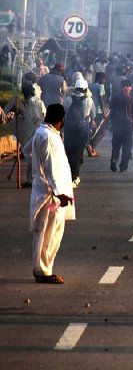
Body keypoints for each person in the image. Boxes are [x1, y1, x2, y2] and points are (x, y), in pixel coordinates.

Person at [25, 104, 74, 284]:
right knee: (49, 233)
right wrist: (59, 193)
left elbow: (26, 150)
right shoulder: (48, 136)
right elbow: (51, 168)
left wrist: (36, 167)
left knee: (45, 232)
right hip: (50, 194)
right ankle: (43, 271)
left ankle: (43, 269)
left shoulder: (42, 132)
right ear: (60, 120)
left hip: (45, 189)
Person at [62, 79, 94, 187]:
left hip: (69, 128)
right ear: (85, 89)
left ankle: (70, 176)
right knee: (78, 153)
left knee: (69, 153)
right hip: (82, 129)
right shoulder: (89, 100)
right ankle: (74, 177)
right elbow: (91, 114)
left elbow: (64, 113)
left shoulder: (67, 99)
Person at [109, 79, 133, 173]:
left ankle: (114, 160)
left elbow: (111, 112)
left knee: (116, 146)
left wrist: (111, 123)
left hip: (117, 125)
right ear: (128, 88)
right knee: (127, 147)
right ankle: (123, 166)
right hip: (127, 125)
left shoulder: (115, 98)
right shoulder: (131, 99)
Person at [86, 72, 107, 157]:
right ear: (101, 78)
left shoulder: (90, 85)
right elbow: (101, 99)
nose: (105, 81)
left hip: (90, 111)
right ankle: (92, 145)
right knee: (101, 131)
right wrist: (104, 111)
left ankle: (90, 146)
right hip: (98, 111)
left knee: (92, 129)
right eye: (104, 79)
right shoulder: (101, 86)